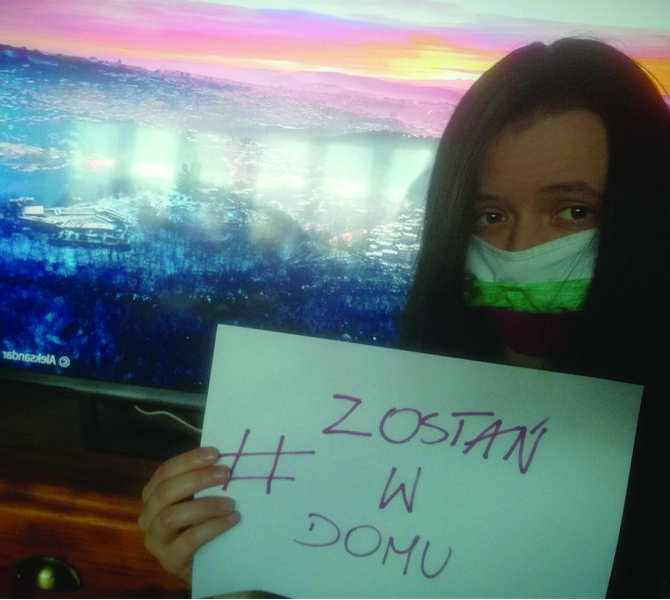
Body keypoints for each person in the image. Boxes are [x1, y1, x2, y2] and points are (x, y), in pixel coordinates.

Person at [138, 38, 670, 596]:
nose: (518, 251)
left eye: (574, 210)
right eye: (489, 215)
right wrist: (239, 564)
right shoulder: (390, 407)